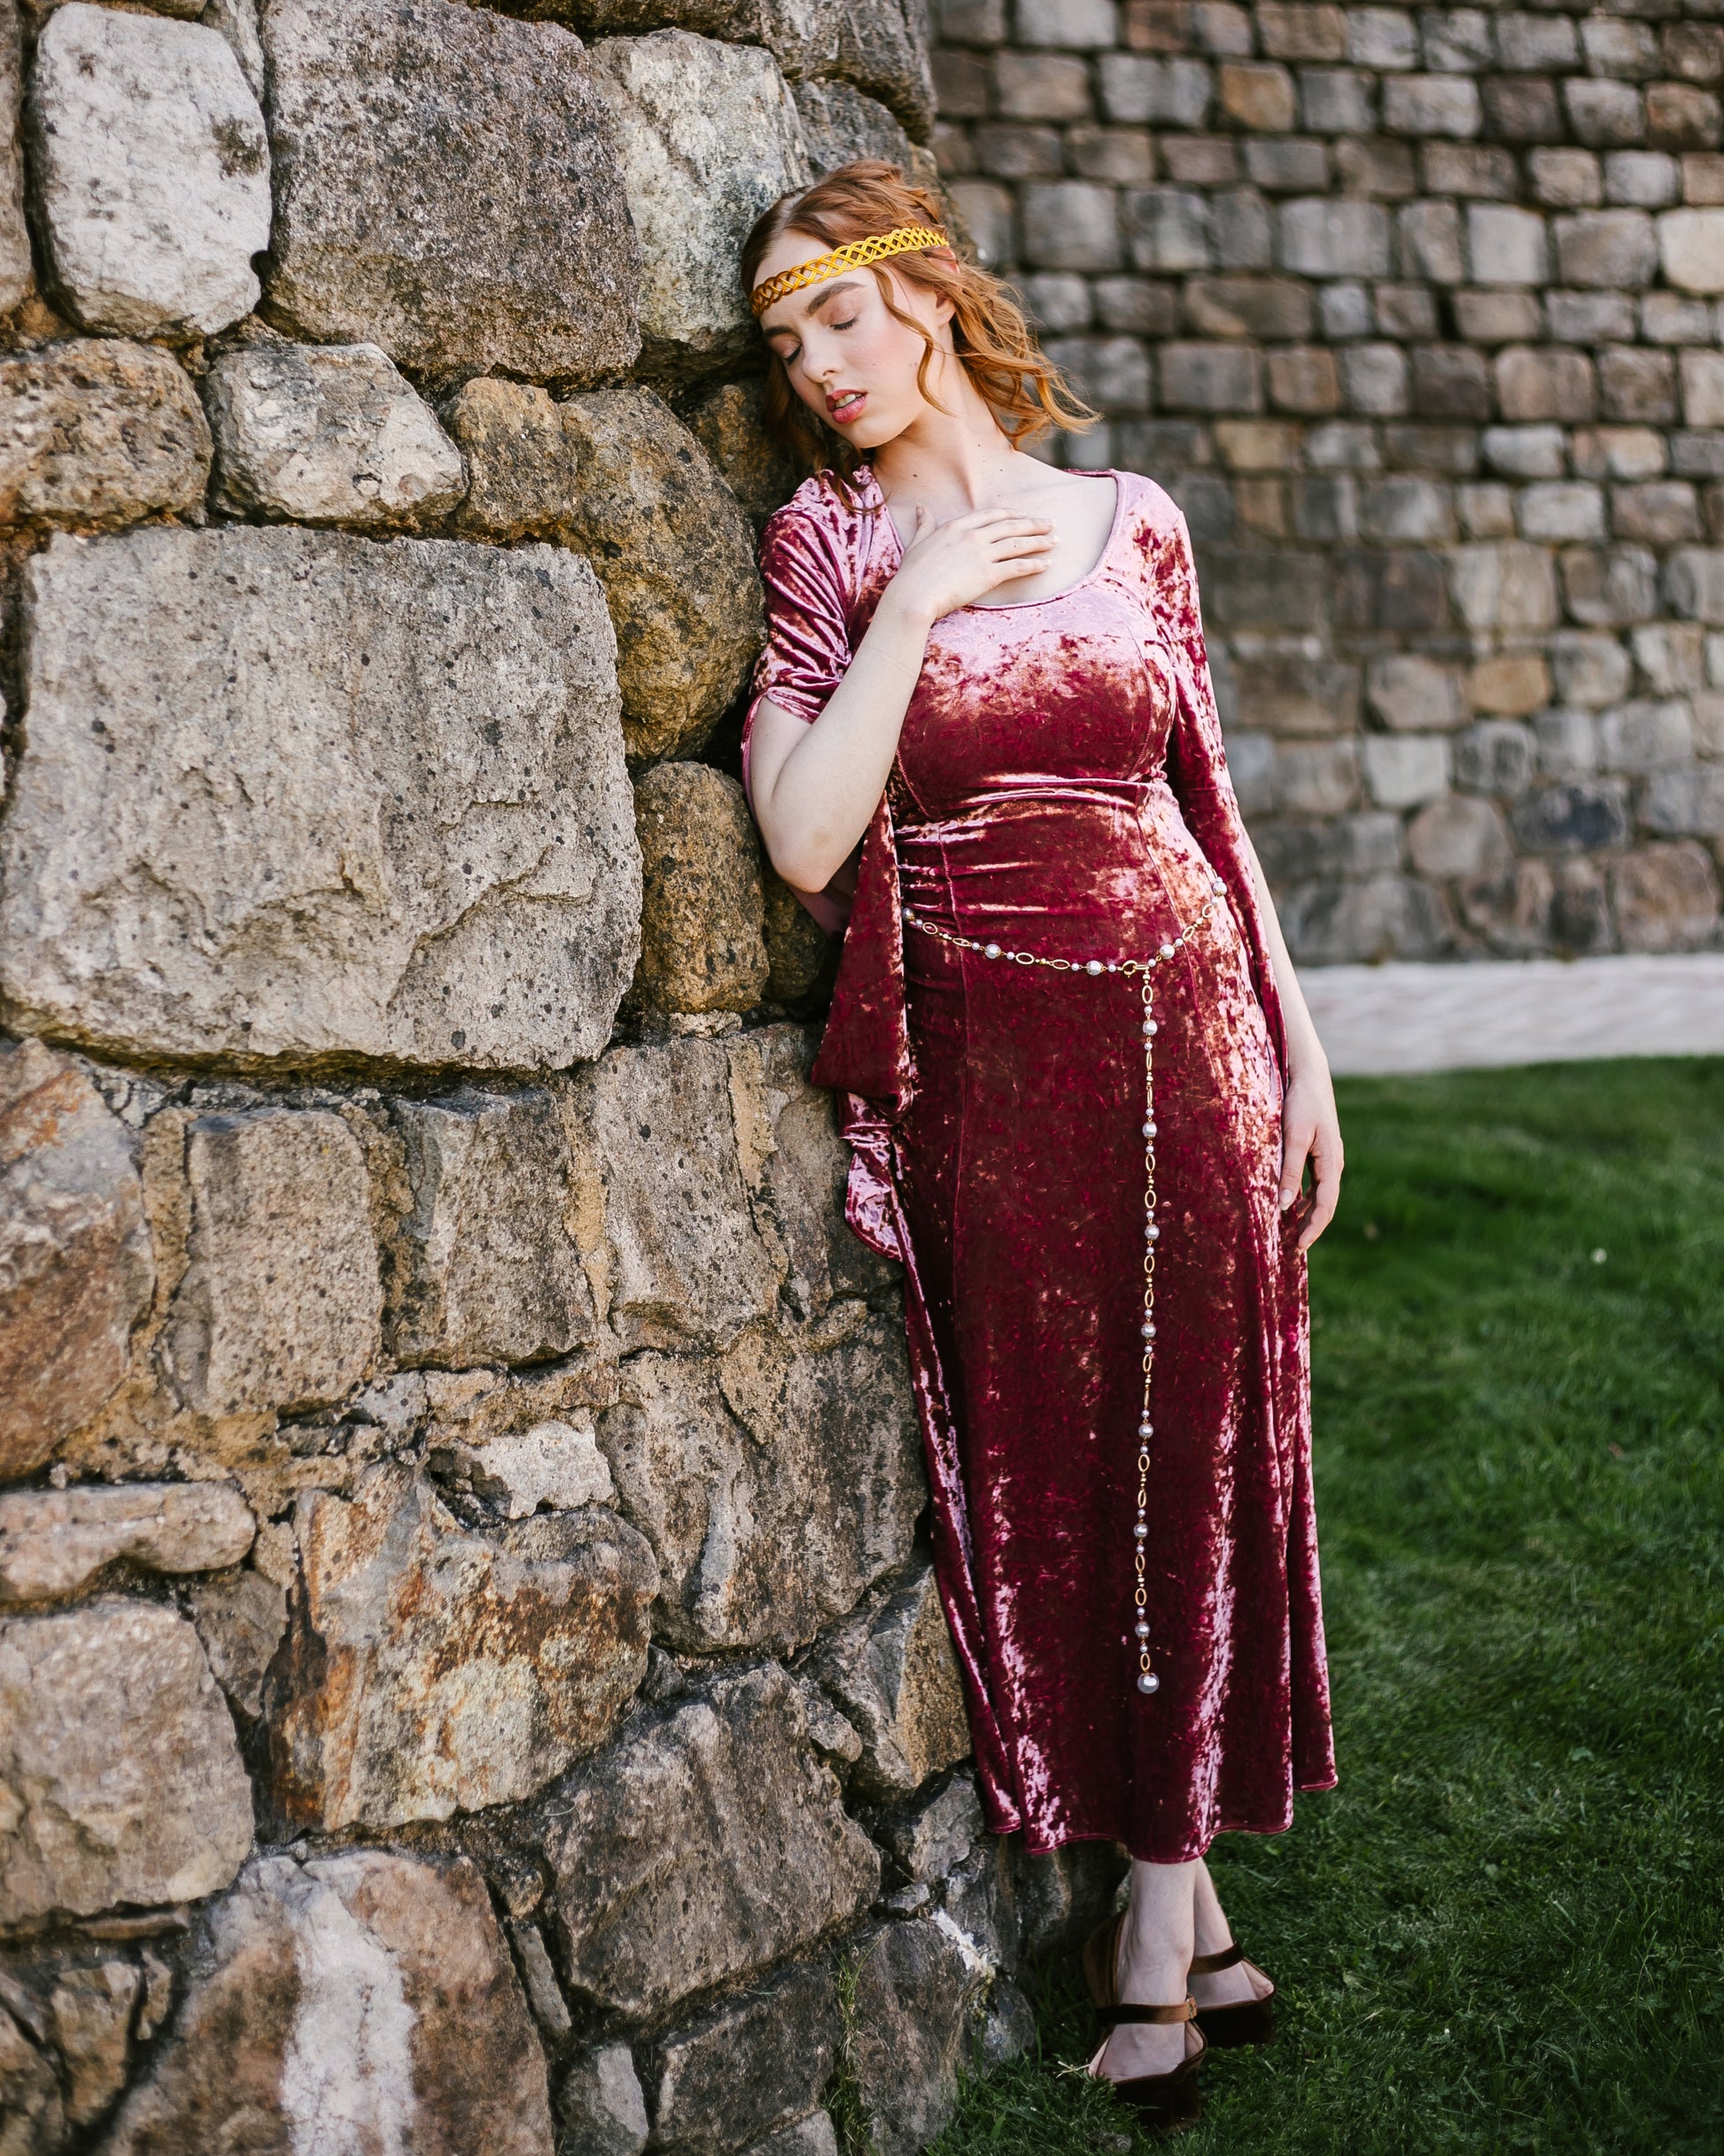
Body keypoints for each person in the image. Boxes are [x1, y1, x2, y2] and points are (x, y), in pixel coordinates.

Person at [738, 160, 1341, 2127]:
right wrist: (915, 591)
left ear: (920, 295)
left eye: (835, 313)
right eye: (780, 336)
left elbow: (1212, 802)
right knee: (1064, 1483)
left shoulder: (1129, 521)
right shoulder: (824, 547)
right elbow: (809, 834)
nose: (816, 362)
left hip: (1196, 1036)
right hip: (997, 1080)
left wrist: (1306, 1049)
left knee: (1206, 1447)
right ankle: (1191, 1898)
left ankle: (1155, 1932)